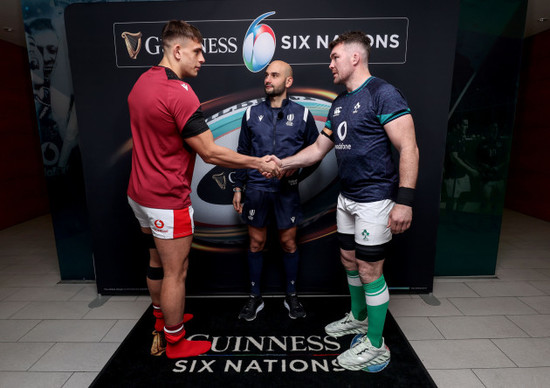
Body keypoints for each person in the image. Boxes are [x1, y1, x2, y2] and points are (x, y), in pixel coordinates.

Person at [266, 31, 419, 372]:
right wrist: (282, 162)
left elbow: (408, 147)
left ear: (355, 58)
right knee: (349, 260)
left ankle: (377, 345)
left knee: (369, 269)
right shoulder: (339, 104)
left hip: (375, 199)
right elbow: (319, 150)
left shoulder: (383, 93)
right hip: (347, 198)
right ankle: (359, 318)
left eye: (335, 57)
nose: (330, 63)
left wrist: (404, 201)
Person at [126, 20, 279, 359]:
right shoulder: (178, 92)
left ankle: (162, 318)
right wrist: (258, 163)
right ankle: (177, 343)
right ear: (176, 50)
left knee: (155, 261)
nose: (202, 59)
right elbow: (209, 151)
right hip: (167, 199)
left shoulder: (141, 83)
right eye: (197, 51)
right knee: (175, 273)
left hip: (138, 194)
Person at [232, 60, 319, 321]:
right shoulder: (251, 114)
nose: (267, 79)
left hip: (286, 191)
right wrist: (238, 187)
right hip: (257, 190)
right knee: (256, 243)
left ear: (288, 81)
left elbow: (315, 152)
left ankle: (291, 296)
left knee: (288, 243)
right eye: (266, 75)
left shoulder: (303, 114)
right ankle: (254, 297)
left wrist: (296, 169)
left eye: (274, 75)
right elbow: (242, 154)